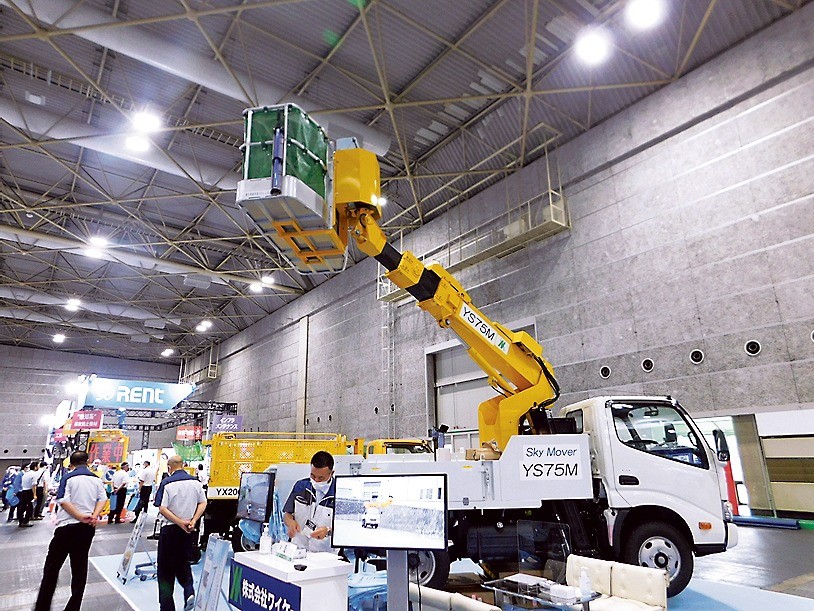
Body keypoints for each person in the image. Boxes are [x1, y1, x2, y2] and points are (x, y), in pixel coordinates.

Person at [33, 451, 106, 611]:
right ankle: (73, 607)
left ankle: (42, 607)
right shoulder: (96, 479)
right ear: (87, 462)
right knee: (80, 568)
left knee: (52, 567)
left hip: (66, 528)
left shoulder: (68, 477)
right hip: (87, 529)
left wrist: (79, 516)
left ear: (71, 464)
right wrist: (93, 516)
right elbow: (103, 498)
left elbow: (63, 500)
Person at [153, 455, 206, 611]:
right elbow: (203, 502)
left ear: (169, 468)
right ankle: (189, 590)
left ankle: (167, 606)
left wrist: (178, 521)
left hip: (170, 529)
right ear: (183, 465)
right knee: (183, 562)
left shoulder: (167, 483)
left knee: (165, 570)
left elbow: (162, 508)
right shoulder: (195, 482)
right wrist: (193, 520)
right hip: (189, 529)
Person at [282, 450, 336, 553]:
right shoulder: (300, 487)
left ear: (331, 473)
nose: (316, 480)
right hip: (298, 549)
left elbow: (346, 528)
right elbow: (287, 515)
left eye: (321, 478)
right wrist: (291, 523)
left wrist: (328, 531)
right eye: (313, 476)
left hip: (325, 554)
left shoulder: (339, 493)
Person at [18, 461, 38, 527]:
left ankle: (21, 521)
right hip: (29, 492)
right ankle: (26, 521)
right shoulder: (34, 474)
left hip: (23, 491)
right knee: (30, 508)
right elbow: (34, 485)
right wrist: (34, 494)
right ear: (35, 467)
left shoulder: (26, 473)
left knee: (22, 507)